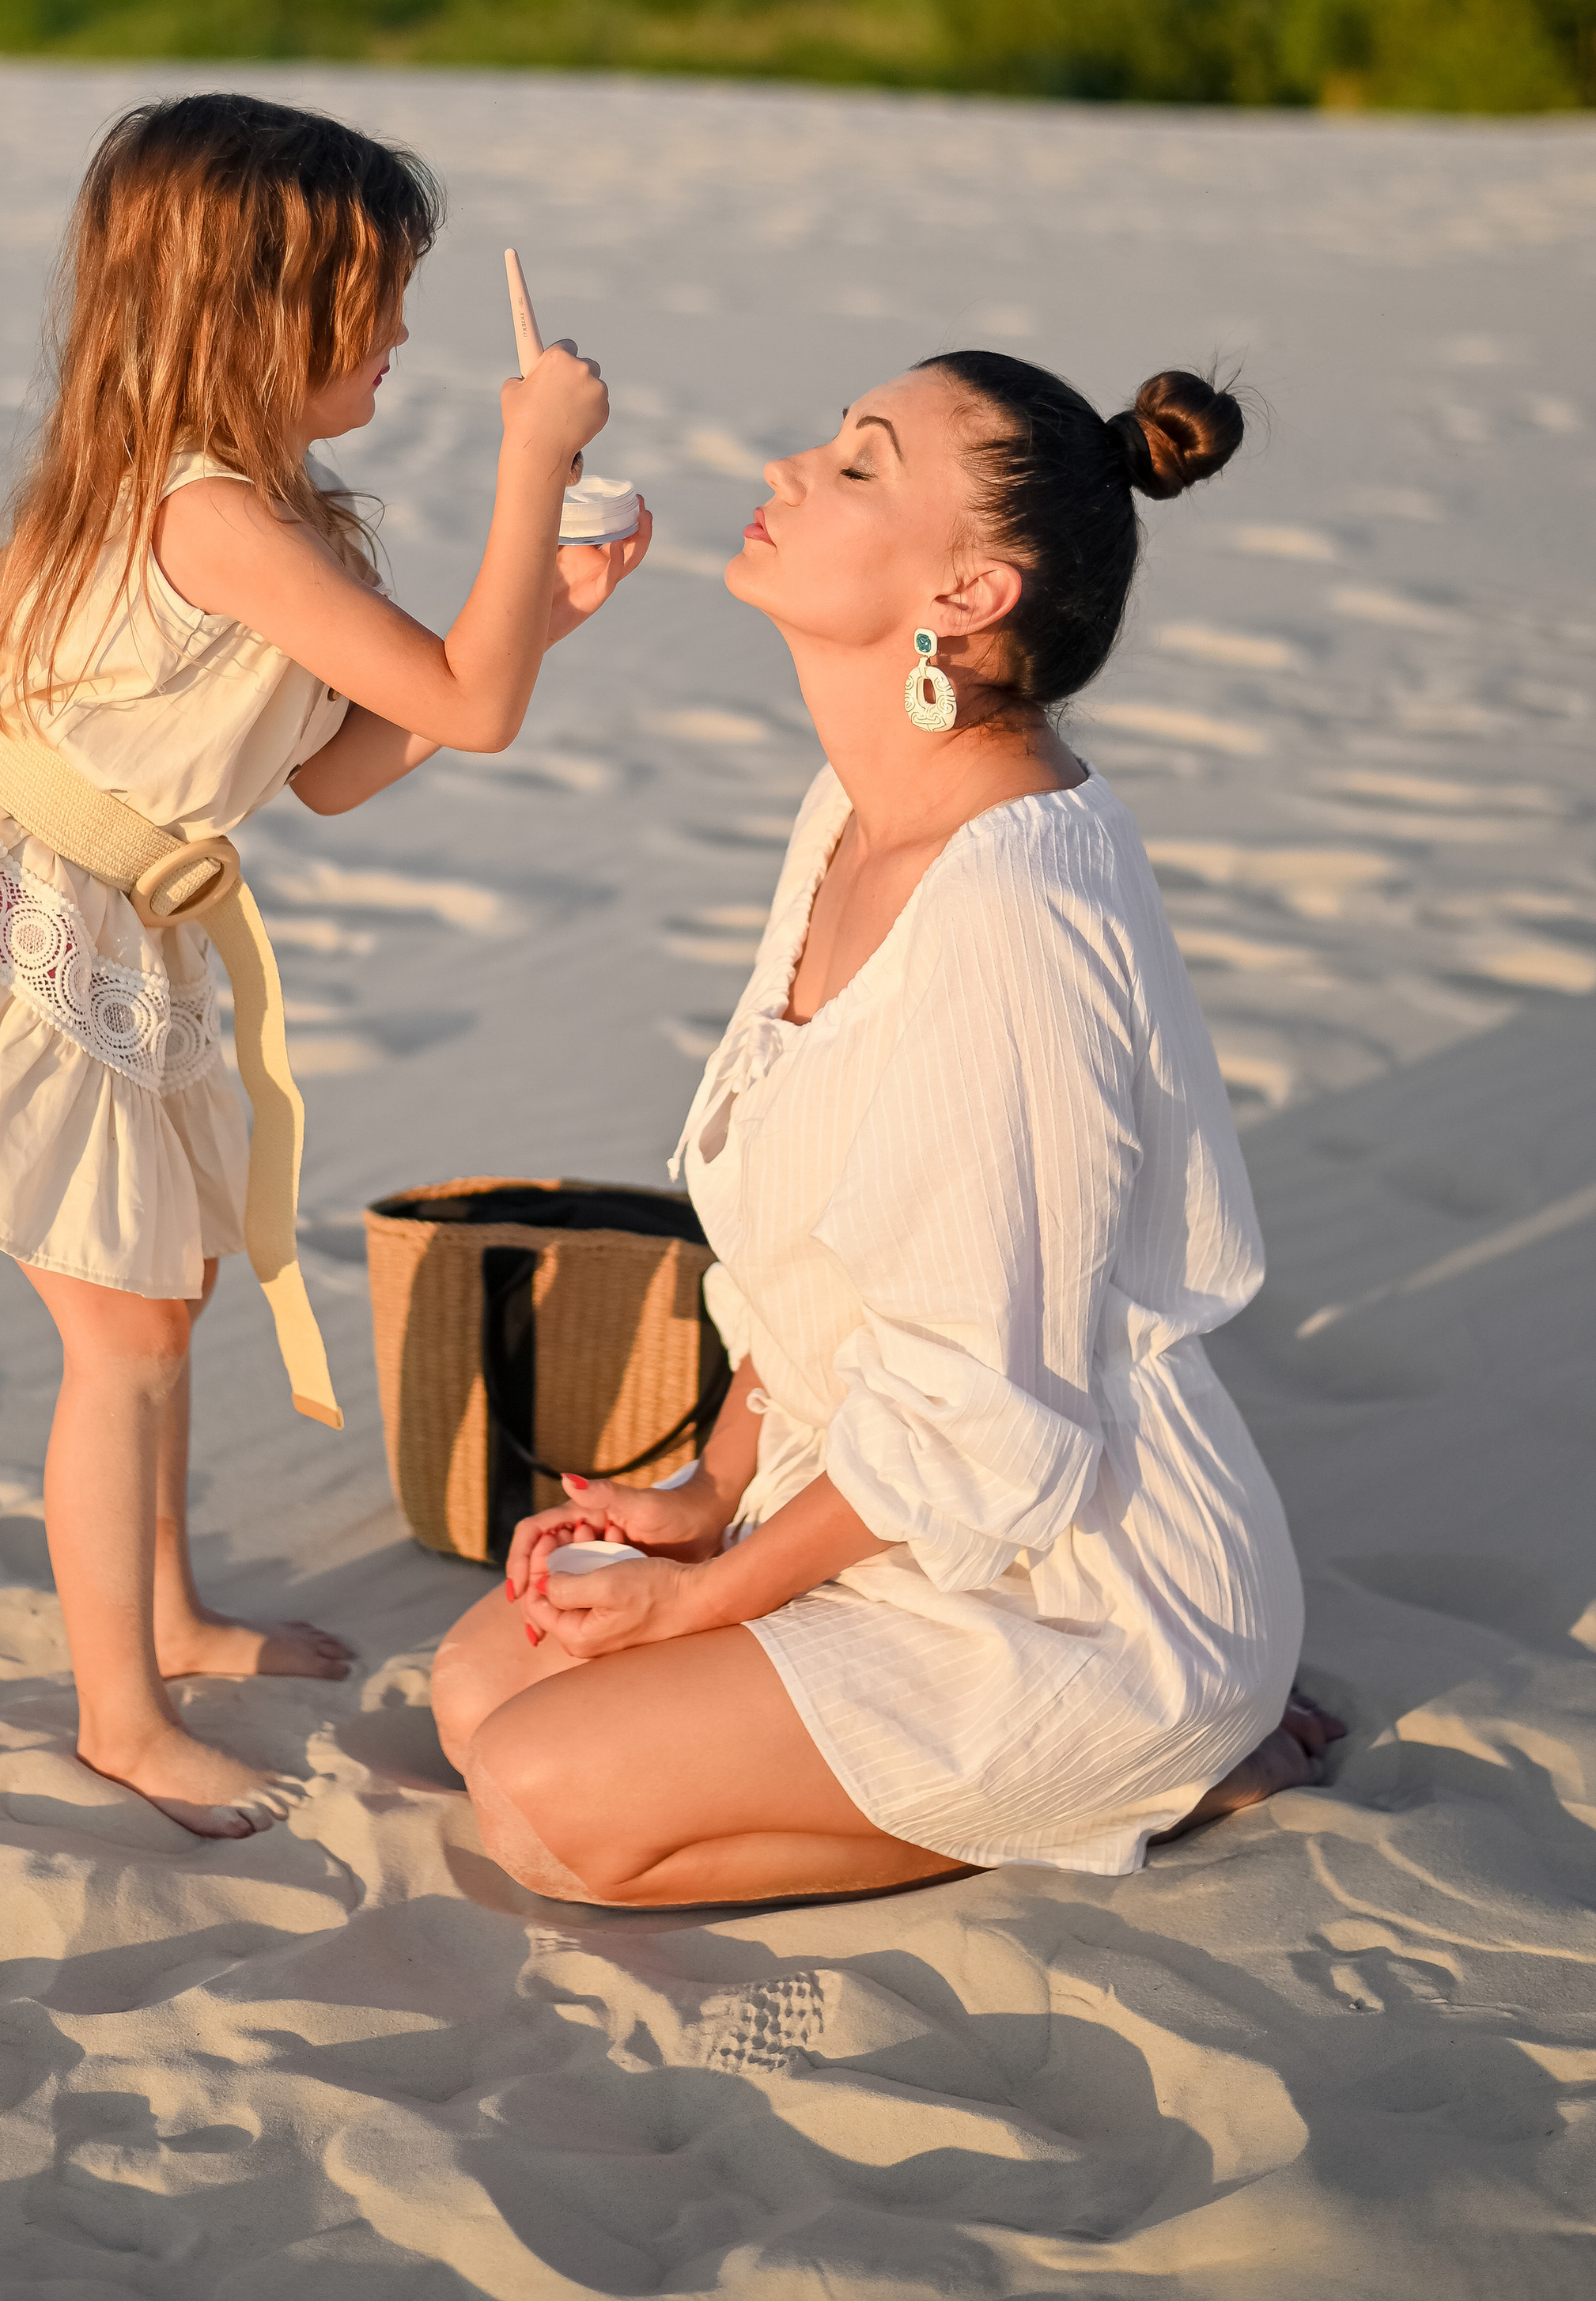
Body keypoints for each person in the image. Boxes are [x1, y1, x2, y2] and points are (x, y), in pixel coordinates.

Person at [0, 94, 647, 1836]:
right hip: (23, 908)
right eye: (368, 301)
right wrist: (532, 462)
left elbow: (337, 763)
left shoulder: (265, 510)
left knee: (164, 1296)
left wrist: (552, 604)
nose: (395, 338)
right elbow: (468, 705)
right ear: (256, 318)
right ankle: (119, 1716)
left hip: (120, 915)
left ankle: (162, 1614)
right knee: (126, 1333)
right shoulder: (215, 515)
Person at [433, 350, 1341, 1906]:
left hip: (1073, 1581)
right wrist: (708, 1490)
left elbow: (983, 1407)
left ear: (972, 590)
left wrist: (714, 1593)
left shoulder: (1008, 912)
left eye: (857, 464)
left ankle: (1174, 1764)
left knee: (545, 1801)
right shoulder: (855, 807)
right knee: (477, 1685)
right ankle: (1032, 1757)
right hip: (879, 1486)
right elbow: (820, 1255)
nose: (788, 469)